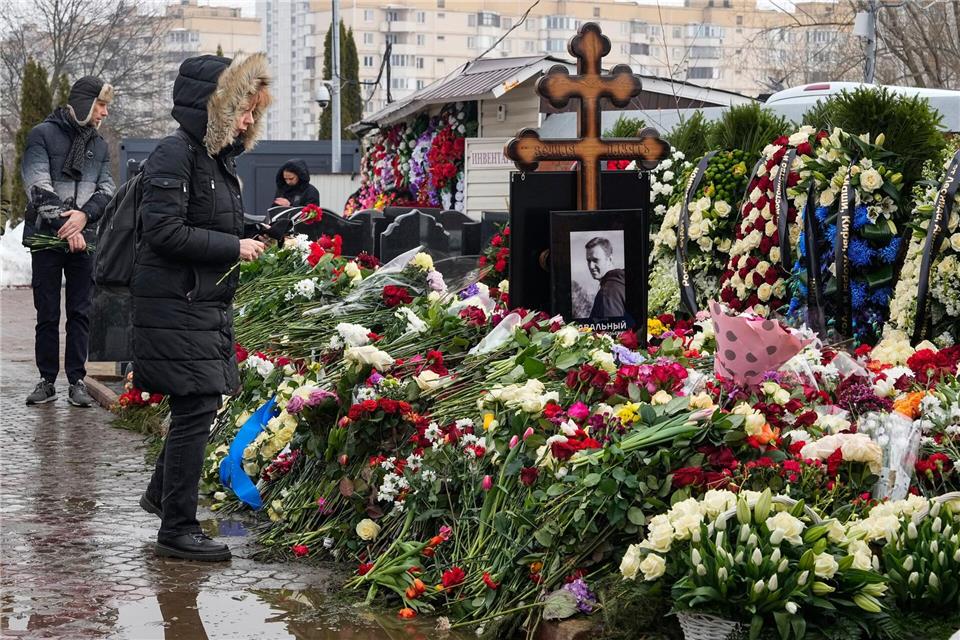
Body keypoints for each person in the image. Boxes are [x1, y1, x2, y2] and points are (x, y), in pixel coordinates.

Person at [133, 53, 271, 561]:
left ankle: (161, 496)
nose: (249, 121)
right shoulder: (176, 154)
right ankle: (177, 529)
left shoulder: (213, 159)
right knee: (195, 406)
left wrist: (252, 229)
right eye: (244, 109)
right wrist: (234, 246)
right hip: (176, 302)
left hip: (198, 302)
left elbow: (206, 220)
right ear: (217, 106)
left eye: (254, 112)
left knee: (198, 405)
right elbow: (164, 231)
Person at [22, 76, 115, 407]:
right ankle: (47, 380)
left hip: (83, 240)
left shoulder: (99, 145)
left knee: (80, 312)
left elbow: (107, 189)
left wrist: (85, 217)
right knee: (47, 313)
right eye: (101, 105)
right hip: (47, 239)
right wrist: (69, 227)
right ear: (85, 103)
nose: (104, 112)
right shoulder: (41, 135)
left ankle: (77, 380)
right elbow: (37, 185)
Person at [585, 236, 626, 319]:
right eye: (588, 261)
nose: (591, 266)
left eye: (596, 260)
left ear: (610, 259)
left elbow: (612, 326)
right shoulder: (621, 283)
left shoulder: (607, 292)